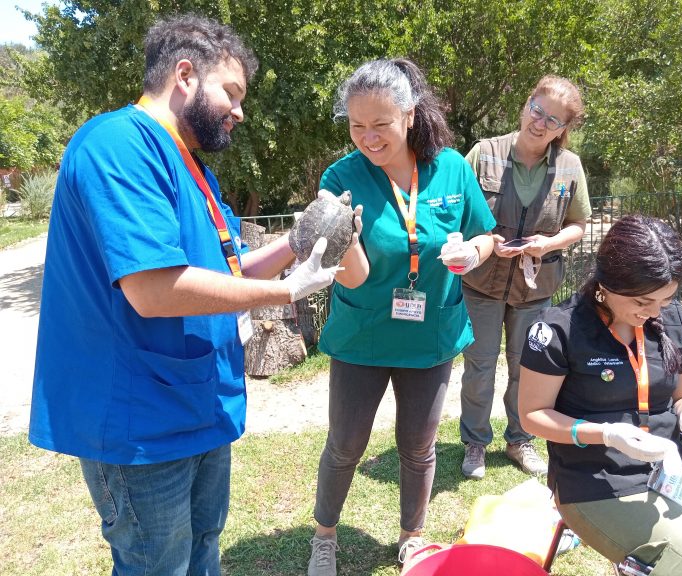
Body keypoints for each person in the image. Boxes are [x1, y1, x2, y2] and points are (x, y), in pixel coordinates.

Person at [28, 14, 341, 575]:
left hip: (194, 406)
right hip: (140, 423)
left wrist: (299, 243)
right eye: (234, 92)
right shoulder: (118, 145)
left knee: (202, 553)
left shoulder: (192, 164)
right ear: (186, 74)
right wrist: (283, 291)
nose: (240, 111)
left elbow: (227, 267)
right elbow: (152, 289)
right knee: (159, 565)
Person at [305, 58, 496, 576]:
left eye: (380, 124)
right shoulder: (341, 176)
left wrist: (472, 254)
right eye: (356, 125)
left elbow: (486, 235)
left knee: (419, 447)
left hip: (430, 334)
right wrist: (342, 241)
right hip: (363, 334)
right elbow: (355, 276)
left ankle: (413, 537)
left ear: (409, 115)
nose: (367, 137)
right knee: (345, 445)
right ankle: (324, 537)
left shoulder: (452, 167)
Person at [519, 214, 682, 575]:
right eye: (643, 302)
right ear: (607, 283)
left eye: (665, 300)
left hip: (674, 467)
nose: (653, 313)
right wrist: (605, 434)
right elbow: (533, 415)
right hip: (598, 484)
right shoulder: (558, 329)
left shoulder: (672, 318)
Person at [459, 75, 592, 479]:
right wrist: (482, 242)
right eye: (538, 110)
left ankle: (520, 441)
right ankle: (475, 444)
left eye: (554, 120)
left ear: (564, 128)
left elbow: (579, 225)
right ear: (527, 103)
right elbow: (455, 212)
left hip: (535, 289)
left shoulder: (570, 167)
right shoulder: (483, 153)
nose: (541, 122)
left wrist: (547, 245)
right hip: (481, 283)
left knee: (527, 368)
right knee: (479, 366)